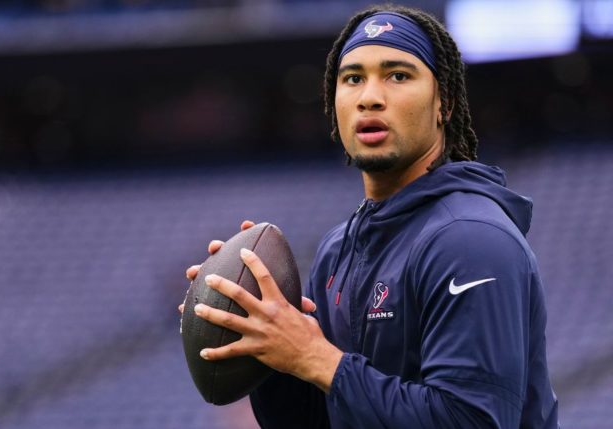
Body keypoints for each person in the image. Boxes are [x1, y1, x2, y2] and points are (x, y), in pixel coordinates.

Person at [180, 4, 559, 428]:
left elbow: (473, 420)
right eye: (353, 78)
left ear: (445, 103)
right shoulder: (339, 248)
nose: (370, 97)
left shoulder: (470, 239)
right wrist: (267, 346)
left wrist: (316, 357)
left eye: (398, 75)